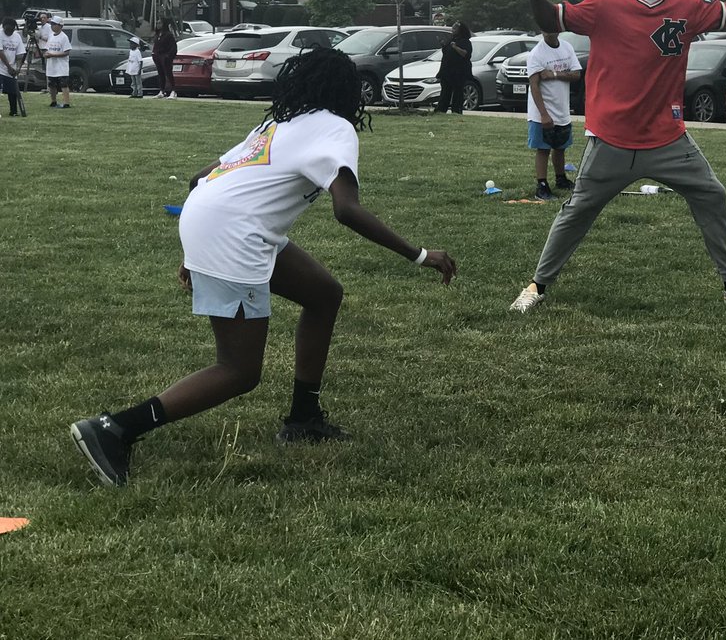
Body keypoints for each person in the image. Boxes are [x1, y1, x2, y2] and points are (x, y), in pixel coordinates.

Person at [69, 47, 458, 486]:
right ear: (348, 91)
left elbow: (202, 179)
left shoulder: (279, 122)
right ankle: (116, 428)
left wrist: (196, 250)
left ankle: (304, 418)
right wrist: (421, 254)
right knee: (238, 371)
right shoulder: (336, 128)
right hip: (235, 234)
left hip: (216, 222)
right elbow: (346, 210)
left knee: (323, 294)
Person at [508, 0, 726, 314]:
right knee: (577, 211)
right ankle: (537, 286)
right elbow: (551, 20)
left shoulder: (687, 7)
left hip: (668, 139)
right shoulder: (605, 6)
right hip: (613, 140)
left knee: (711, 194)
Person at [526, 31, 582, 200]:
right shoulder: (536, 53)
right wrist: (543, 114)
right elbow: (534, 85)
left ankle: (561, 179)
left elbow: (576, 74)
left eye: (551, 29)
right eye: (545, 30)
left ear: (557, 30)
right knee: (543, 148)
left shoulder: (566, 47)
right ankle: (542, 186)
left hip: (562, 108)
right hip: (542, 111)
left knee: (560, 146)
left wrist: (554, 74)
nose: (548, 33)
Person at [434, 22, 473, 114]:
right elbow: (447, 53)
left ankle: (456, 110)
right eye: (452, 29)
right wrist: (443, 45)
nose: (453, 31)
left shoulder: (465, 41)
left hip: (459, 72)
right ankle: (441, 110)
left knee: (457, 92)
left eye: (455, 29)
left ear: (460, 30)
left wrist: (455, 47)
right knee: (445, 92)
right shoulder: (451, 39)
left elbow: (465, 54)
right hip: (447, 71)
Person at [43, 16, 71, 109]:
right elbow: (47, 48)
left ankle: (66, 102)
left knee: (63, 84)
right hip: (51, 65)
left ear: (60, 26)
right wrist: (46, 54)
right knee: (51, 84)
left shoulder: (64, 37)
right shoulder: (51, 36)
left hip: (61, 66)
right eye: (51, 24)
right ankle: (53, 101)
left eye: (54, 24)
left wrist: (53, 55)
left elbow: (66, 52)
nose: (52, 26)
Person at [1, 17, 26, 117]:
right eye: (8, 29)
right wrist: (8, 67)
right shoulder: (0, 34)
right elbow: (1, 52)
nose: (10, 31)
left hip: (11, 69)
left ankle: (14, 111)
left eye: (12, 30)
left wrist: (18, 68)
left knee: (12, 92)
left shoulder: (17, 37)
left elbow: (20, 55)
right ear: (4, 27)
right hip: (1, 68)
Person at [152, 17, 178, 99]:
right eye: (157, 23)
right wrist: (154, 54)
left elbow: (173, 47)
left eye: (160, 23)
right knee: (161, 74)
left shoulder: (168, 35)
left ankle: (173, 91)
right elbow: (156, 46)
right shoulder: (157, 35)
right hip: (158, 57)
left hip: (165, 57)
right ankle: (162, 91)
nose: (158, 25)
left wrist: (168, 56)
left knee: (168, 73)